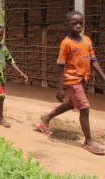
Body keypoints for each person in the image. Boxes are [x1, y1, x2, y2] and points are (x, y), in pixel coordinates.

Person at [37, 11, 105, 155]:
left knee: (70, 104)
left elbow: (93, 60)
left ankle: (47, 117)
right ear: (66, 25)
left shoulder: (87, 40)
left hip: (82, 79)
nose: (78, 26)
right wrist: (59, 88)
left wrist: (103, 77)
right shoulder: (66, 43)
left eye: (81, 23)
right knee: (84, 108)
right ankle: (88, 140)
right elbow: (60, 65)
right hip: (72, 80)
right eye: (74, 24)